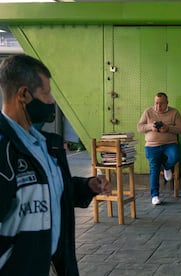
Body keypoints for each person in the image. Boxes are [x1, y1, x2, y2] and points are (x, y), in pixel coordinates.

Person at [0, 54, 111, 275]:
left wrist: (86, 186)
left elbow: (50, 190)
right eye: (46, 93)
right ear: (23, 94)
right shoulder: (4, 151)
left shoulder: (46, 145)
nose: (51, 101)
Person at [137, 92, 181, 205]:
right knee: (154, 168)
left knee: (175, 156)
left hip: (169, 143)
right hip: (152, 145)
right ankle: (155, 196)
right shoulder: (148, 112)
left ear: (167, 103)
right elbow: (139, 127)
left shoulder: (174, 112)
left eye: (161, 104)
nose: (158, 106)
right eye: (156, 103)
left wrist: (168, 128)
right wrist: (150, 127)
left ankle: (166, 167)